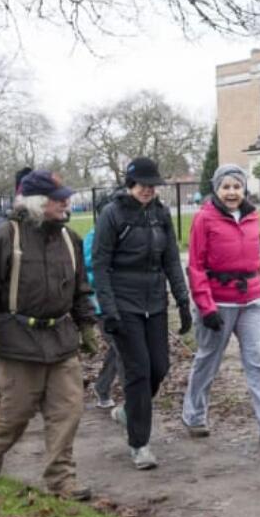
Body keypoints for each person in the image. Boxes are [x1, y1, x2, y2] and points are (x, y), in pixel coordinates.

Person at [0, 170, 98, 500]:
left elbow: (80, 288)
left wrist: (87, 324)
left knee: (68, 411)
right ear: (38, 203)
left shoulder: (70, 239)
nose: (66, 202)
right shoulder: (4, 236)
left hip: (61, 341)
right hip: (18, 342)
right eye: (58, 199)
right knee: (14, 415)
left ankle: (61, 479)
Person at [92, 157, 192, 470]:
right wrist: (108, 309)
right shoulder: (112, 215)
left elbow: (172, 261)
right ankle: (140, 444)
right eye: (142, 184)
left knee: (159, 367)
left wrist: (183, 300)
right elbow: (100, 264)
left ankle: (129, 412)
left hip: (155, 301)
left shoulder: (161, 214)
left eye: (152, 185)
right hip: (124, 303)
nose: (148, 190)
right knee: (138, 371)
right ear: (130, 184)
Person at [181, 164, 260, 444]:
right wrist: (206, 306)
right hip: (218, 303)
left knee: (258, 361)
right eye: (226, 187)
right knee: (208, 359)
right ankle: (195, 415)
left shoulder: (253, 217)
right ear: (216, 189)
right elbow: (196, 266)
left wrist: (257, 286)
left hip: (250, 301)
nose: (231, 192)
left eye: (237, 186)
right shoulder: (204, 219)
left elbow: (256, 257)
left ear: (244, 189)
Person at [82, 190, 122, 409]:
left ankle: (103, 386)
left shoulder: (123, 233)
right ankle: (106, 388)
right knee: (120, 347)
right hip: (100, 304)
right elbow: (89, 272)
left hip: (122, 302)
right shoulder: (93, 237)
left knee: (120, 347)